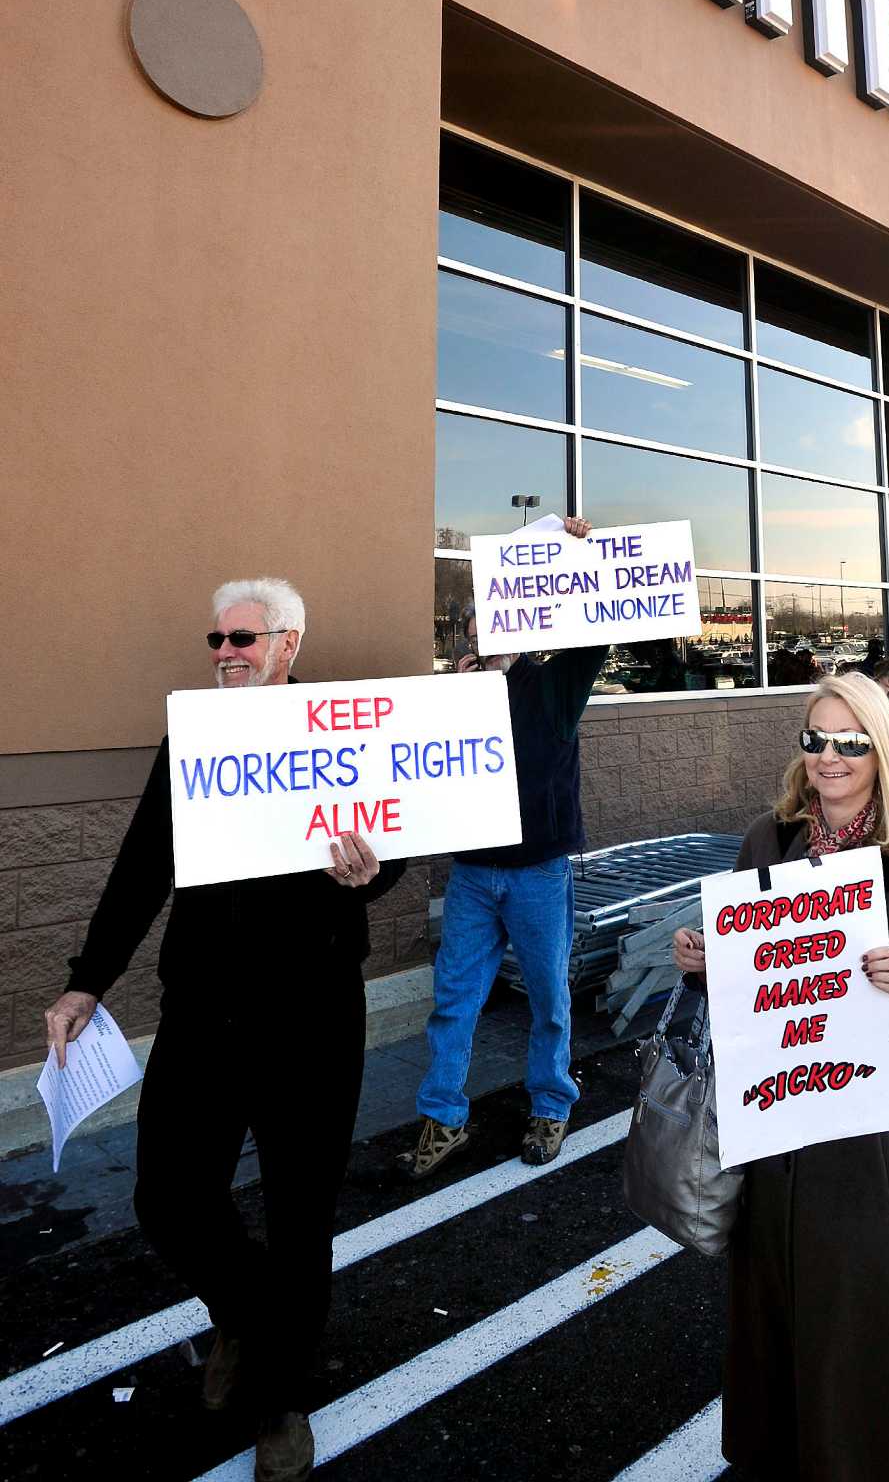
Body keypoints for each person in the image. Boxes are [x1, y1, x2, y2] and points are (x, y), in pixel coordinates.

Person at [42, 578, 403, 1482]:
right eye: (216, 638)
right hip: (202, 1013)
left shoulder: (346, 738)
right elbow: (138, 871)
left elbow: (399, 847)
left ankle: (281, 1402)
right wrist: (89, 981)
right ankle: (246, 1313)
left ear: (289, 645)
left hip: (312, 1021)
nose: (226, 652)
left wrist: (372, 871)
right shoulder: (192, 744)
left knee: (300, 1217)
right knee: (167, 1197)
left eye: (244, 637)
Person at [673, 670, 889, 1481]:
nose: (831, 757)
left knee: (862, 1340)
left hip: (873, 1151)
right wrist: (703, 962)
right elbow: (750, 984)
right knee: (774, 1322)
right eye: (815, 739)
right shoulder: (768, 841)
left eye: (851, 741)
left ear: (881, 749)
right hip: (775, 1139)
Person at [411, 516, 608, 1178]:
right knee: (454, 998)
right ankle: (443, 1116)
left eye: (493, 622)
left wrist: (576, 557)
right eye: (472, 626)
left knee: (549, 998)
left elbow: (595, 638)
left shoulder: (551, 687)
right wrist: (459, 693)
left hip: (536, 874)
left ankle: (551, 1103)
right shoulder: (459, 691)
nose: (481, 634)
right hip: (471, 873)